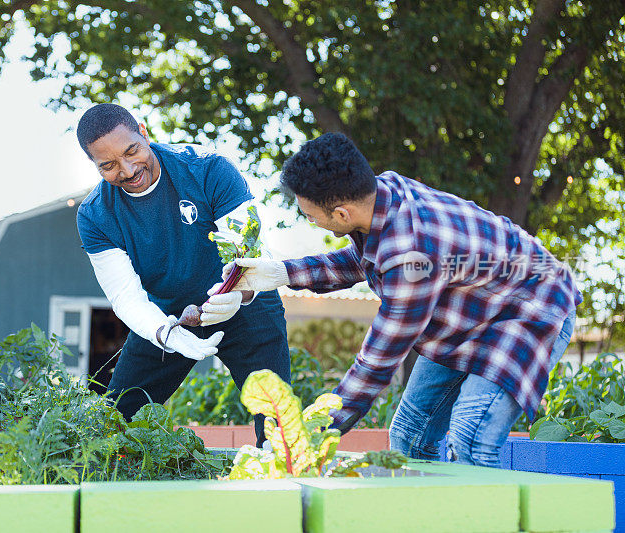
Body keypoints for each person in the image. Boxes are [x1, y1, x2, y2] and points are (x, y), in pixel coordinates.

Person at [222, 132, 580, 467]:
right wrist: (279, 273)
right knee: (409, 436)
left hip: (530, 306)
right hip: (472, 312)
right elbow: (362, 262)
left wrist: (312, 431)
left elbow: (378, 362)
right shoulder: (384, 197)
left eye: (311, 216)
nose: (310, 222)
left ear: (342, 213)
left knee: (470, 438)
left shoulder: (411, 252)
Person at [74, 103, 290, 441]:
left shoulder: (208, 170)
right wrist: (165, 333)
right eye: (109, 165)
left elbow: (245, 252)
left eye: (132, 151)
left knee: (277, 423)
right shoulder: (95, 215)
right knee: (113, 423)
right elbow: (125, 297)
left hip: (247, 307)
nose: (128, 170)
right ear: (95, 165)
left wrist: (233, 296)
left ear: (143, 132)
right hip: (167, 315)